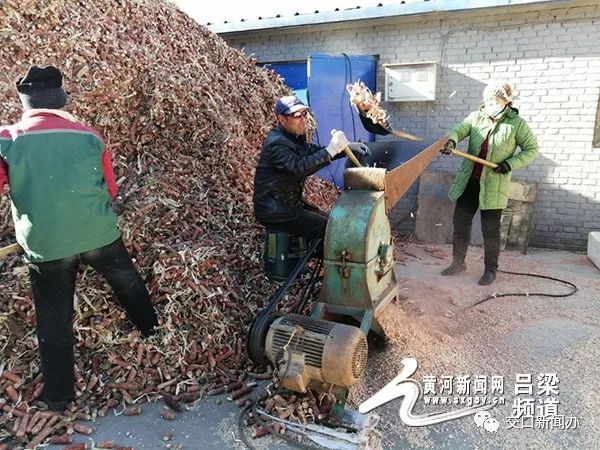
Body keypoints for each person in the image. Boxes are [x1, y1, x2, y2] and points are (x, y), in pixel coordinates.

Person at [0, 65, 158, 411]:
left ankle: (58, 398)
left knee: (53, 318)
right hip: (99, 234)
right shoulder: (89, 136)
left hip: (46, 245)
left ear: (26, 104)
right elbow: (110, 190)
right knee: (128, 283)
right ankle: (153, 332)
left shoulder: (7, 138)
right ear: (61, 98)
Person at [439, 80, 538, 285]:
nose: (491, 102)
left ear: (505, 101)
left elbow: (532, 149)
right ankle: (458, 262)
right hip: (470, 182)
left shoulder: (516, 124)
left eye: (496, 99)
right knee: (460, 224)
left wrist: (509, 164)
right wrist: (451, 141)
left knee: (490, 230)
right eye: (488, 99)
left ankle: (490, 270)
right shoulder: (476, 117)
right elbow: (459, 129)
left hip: (494, 184)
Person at [253, 95, 370, 254]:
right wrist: (331, 150)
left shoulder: (293, 137)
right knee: (331, 229)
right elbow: (298, 167)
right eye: (297, 115)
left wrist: (345, 148)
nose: (302, 119)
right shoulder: (276, 143)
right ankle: (337, 267)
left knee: (332, 221)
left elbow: (311, 153)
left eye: (304, 114)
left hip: (288, 203)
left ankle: (328, 260)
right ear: (281, 119)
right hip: (274, 209)